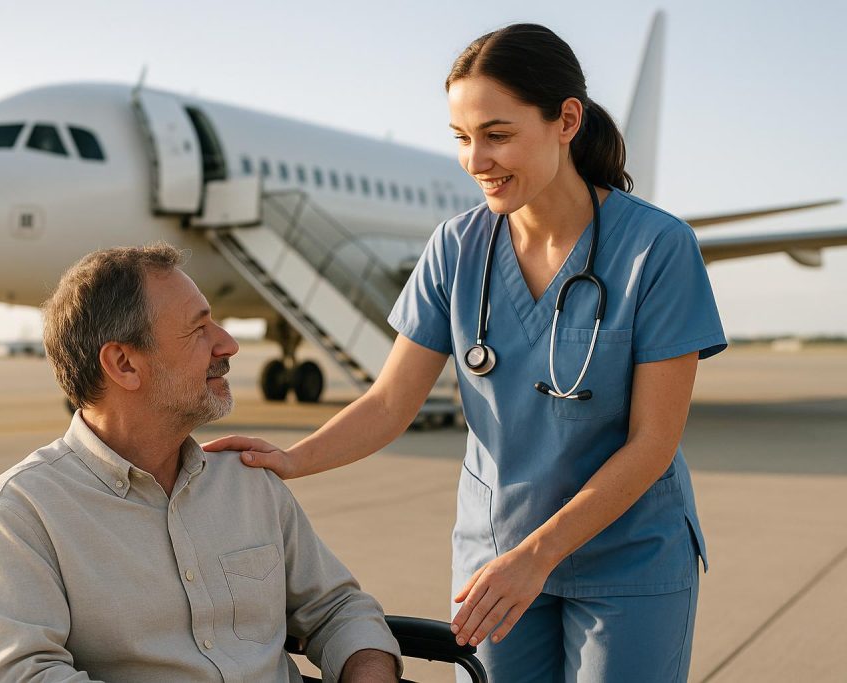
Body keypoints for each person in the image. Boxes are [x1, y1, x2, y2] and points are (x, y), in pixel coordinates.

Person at [204, 23, 726, 683]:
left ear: (566, 120)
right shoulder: (456, 247)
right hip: (497, 560)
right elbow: (390, 401)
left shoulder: (658, 248)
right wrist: (290, 458)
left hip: (626, 554)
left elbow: (653, 444)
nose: (476, 160)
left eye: (497, 134)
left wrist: (537, 556)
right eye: (462, 138)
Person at [0, 244, 401, 682]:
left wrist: (367, 670)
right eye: (199, 329)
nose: (227, 344)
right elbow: (23, 675)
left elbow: (341, 609)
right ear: (124, 364)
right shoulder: (19, 512)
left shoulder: (249, 483)